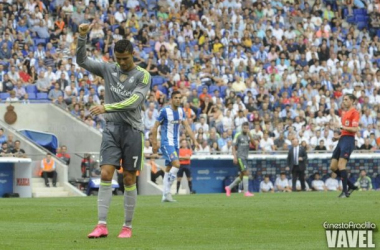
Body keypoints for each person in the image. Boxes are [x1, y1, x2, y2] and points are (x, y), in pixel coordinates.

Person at [77, 23, 151, 239]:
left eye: (125, 59)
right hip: (111, 129)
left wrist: (107, 107)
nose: (121, 62)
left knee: (129, 178)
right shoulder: (109, 68)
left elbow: (135, 101)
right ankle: (101, 225)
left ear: (133, 55)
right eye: (118, 58)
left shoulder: (143, 76)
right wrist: (82, 36)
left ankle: (127, 226)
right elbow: (81, 61)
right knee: (106, 173)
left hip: (132, 131)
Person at [151, 91, 199, 202]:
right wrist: (154, 143)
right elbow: (155, 128)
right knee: (177, 164)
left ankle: (164, 196)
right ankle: (168, 193)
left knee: (168, 169)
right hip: (166, 143)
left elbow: (187, 127)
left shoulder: (181, 112)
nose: (178, 99)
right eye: (176, 98)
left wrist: (194, 141)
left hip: (176, 143)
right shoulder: (164, 111)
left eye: (179, 98)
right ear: (171, 99)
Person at [330, 94, 360, 198]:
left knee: (341, 166)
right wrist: (338, 137)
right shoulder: (345, 113)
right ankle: (351, 185)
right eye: (343, 99)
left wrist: (342, 126)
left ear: (352, 101)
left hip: (348, 141)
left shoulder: (355, 113)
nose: (344, 101)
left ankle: (345, 192)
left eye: (346, 99)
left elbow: (355, 129)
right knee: (333, 166)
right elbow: (345, 131)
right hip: (342, 140)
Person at [225, 122, 255, 197]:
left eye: (247, 128)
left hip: (245, 157)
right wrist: (235, 157)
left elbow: (254, 145)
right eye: (244, 128)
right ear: (242, 128)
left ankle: (229, 188)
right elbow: (233, 147)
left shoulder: (249, 135)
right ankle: (246, 192)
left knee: (242, 176)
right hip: (240, 157)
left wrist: (250, 135)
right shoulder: (238, 135)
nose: (246, 129)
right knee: (246, 172)